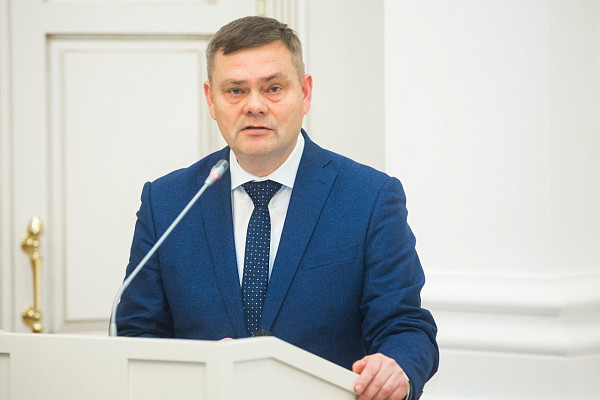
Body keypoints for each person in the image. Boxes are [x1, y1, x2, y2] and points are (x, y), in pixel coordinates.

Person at [117, 16, 438, 400]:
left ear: (305, 93)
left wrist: (396, 368)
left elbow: (405, 326)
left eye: (273, 88)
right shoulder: (167, 202)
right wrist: (196, 367)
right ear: (211, 100)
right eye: (235, 90)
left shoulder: (370, 197)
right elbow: (137, 334)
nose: (254, 106)